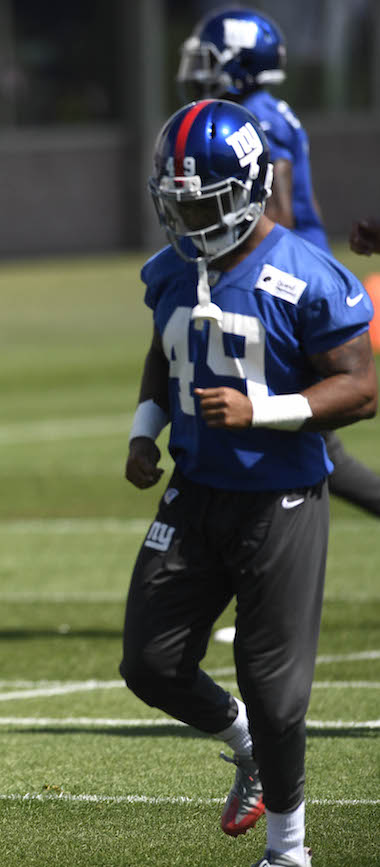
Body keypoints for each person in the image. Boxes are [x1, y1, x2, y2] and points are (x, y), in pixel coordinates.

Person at [121, 99, 376, 867]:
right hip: (195, 491)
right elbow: (164, 352)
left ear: (250, 190)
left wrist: (261, 410)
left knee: (274, 688)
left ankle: (288, 850)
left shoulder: (307, 275)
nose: (190, 220)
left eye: (204, 203)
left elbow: (361, 388)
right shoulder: (173, 269)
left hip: (281, 498)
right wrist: (144, 430)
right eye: (179, 204)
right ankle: (246, 746)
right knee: (150, 662)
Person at [177, 6, 380, 517]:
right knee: (316, 444)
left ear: (240, 62)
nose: (199, 71)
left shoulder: (257, 120)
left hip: (288, 286)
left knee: (318, 444)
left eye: (210, 59)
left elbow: (277, 210)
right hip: (298, 274)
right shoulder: (264, 109)